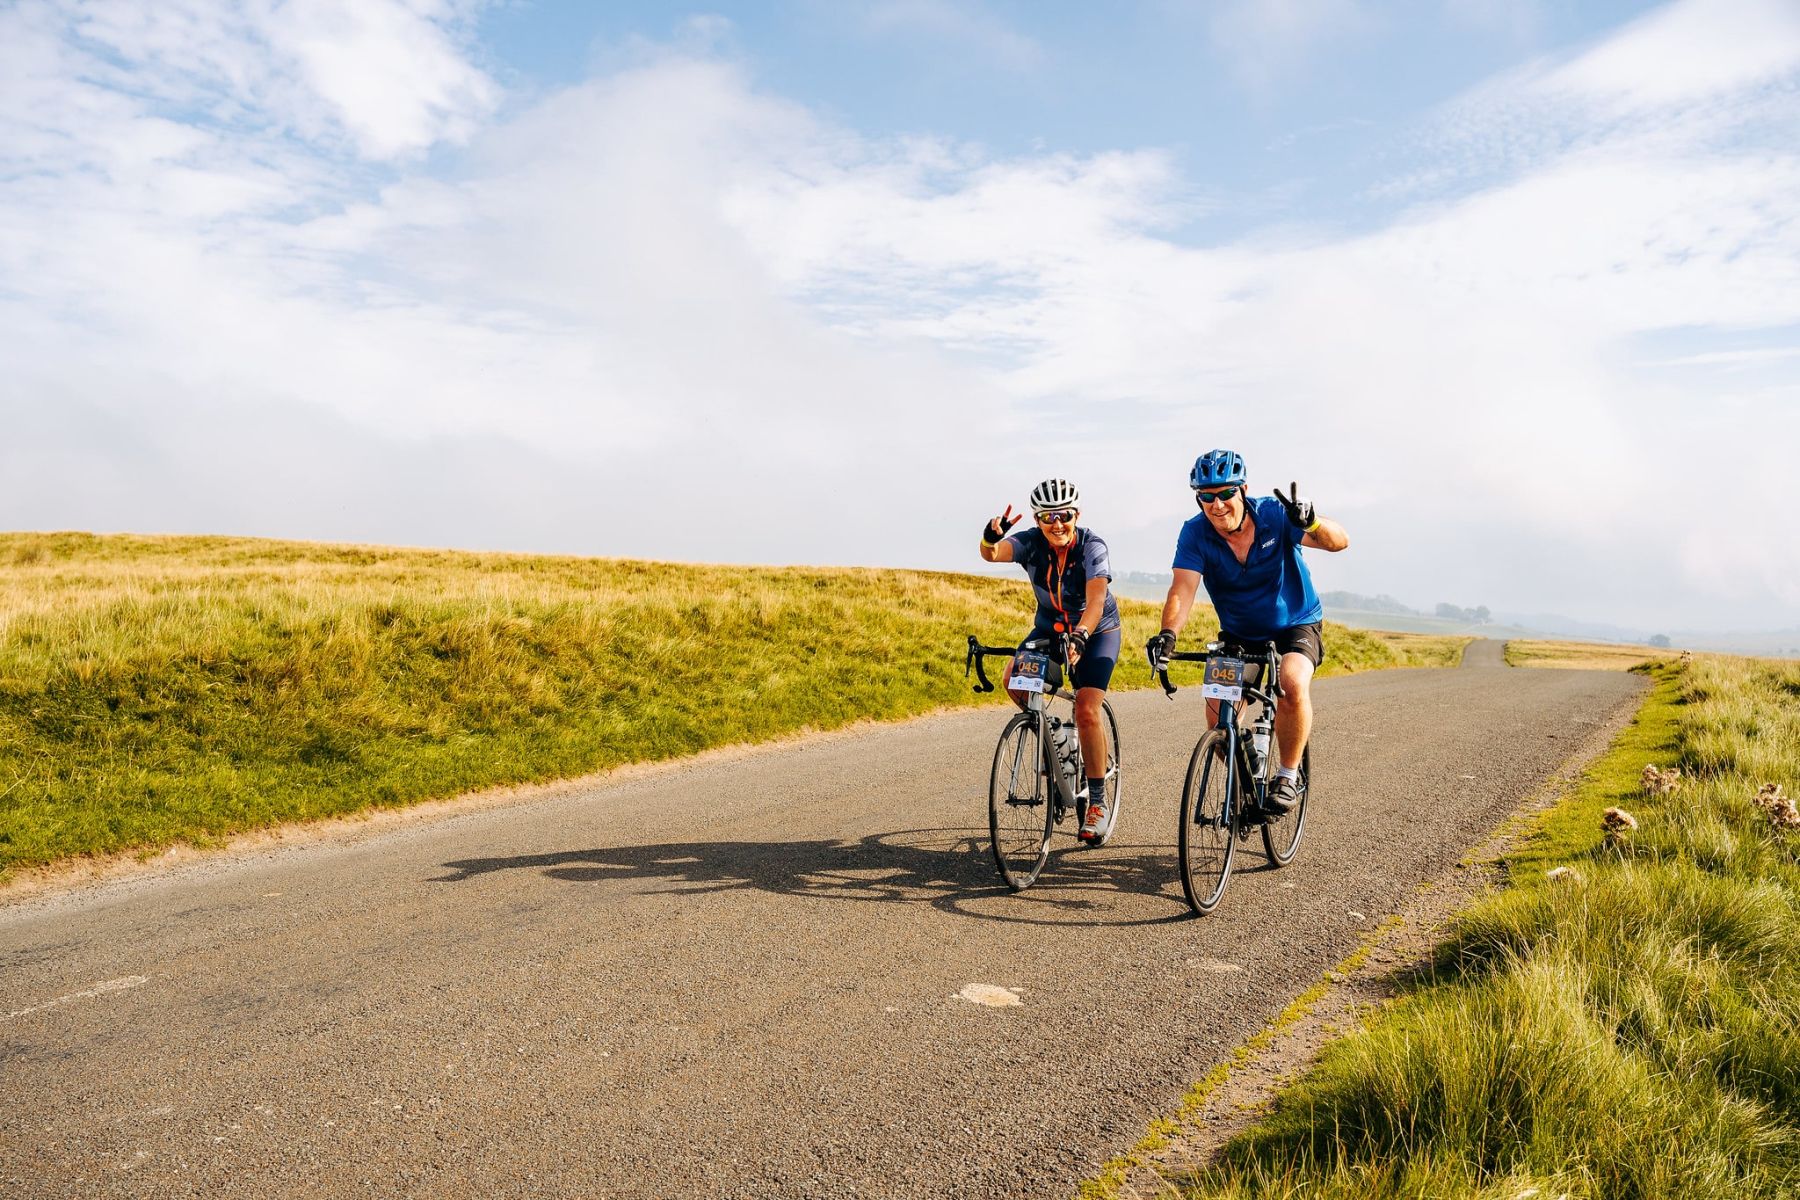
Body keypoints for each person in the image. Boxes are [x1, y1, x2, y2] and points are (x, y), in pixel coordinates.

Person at [1145, 449, 1349, 813]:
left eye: (1225, 494)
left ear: (1243, 490)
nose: (1217, 504)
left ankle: (1287, 775)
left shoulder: (1274, 515)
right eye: (1207, 497)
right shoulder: (1194, 534)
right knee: (1218, 715)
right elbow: (1182, 589)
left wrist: (1313, 522)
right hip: (1240, 632)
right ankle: (1249, 767)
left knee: (1290, 683)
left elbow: (1339, 542)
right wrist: (1168, 634)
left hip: (1296, 622)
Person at [979, 478, 1122, 841]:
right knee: (1013, 676)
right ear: (1038, 520)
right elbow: (991, 555)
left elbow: (1095, 601)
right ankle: (1055, 734)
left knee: (1087, 709)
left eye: (1064, 515)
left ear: (1076, 514)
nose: (1057, 524)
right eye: (1048, 517)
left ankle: (1098, 803)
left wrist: (1082, 635)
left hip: (1096, 630)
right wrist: (990, 537)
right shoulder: (1031, 543)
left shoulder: (1092, 546)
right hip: (1049, 628)